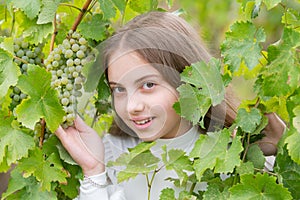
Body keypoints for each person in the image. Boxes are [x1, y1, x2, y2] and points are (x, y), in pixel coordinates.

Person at [55, 11, 286, 200]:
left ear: (187, 80)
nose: (131, 106)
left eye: (147, 84)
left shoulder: (233, 158)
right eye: (119, 89)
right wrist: (94, 171)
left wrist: (281, 149)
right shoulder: (114, 154)